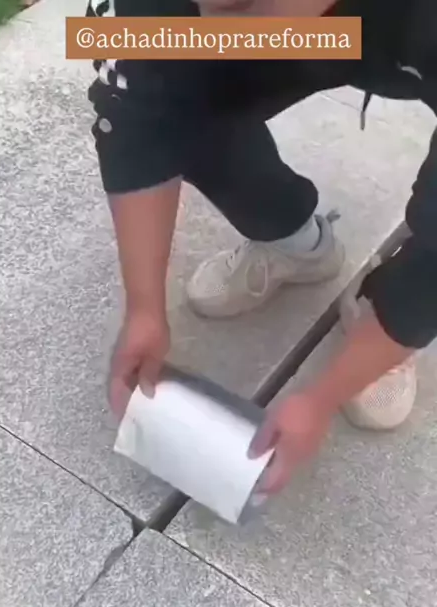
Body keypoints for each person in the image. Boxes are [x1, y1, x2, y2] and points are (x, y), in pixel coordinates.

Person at [86, 0, 437, 493]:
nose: (217, 24)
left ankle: (381, 320)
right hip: (309, 24)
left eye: (241, 3)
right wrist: (144, 309)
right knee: (175, 81)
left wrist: (322, 398)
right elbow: (131, 112)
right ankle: (296, 242)